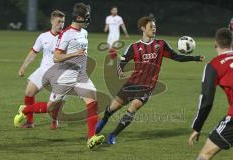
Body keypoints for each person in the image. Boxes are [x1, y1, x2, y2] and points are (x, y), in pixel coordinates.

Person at [96, 16, 205, 144]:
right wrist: (120, 65)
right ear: (143, 28)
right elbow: (121, 66)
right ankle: (101, 123)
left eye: (155, 27)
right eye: (151, 27)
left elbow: (177, 57)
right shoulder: (134, 47)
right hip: (131, 84)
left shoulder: (161, 45)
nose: (154, 29)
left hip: (147, 86)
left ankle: (113, 135)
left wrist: (196, 58)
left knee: (133, 107)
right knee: (112, 108)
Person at [14, 2, 105, 149]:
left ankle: (91, 138)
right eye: (87, 16)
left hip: (81, 75)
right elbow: (56, 57)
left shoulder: (84, 33)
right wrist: (75, 53)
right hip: (65, 76)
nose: (89, 19)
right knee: (51, 107)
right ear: (79, 17)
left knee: (93, 102)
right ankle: (25, 110)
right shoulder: (66, 34)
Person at [189, 28, 233, 160]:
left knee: (205, 154)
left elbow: (206, 99)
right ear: (231, 42)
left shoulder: (214, 65)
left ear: (215, 44)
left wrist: (197, 126)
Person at [17, 10, 65, 128]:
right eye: (59, 21)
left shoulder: (66, 37)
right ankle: (30, 122)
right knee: (29, 93)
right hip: (43, 70)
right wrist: (23, 67)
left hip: (58, 73)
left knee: (54, 101)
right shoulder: (43, 37)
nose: (61, 24)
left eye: (63, 22)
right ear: (52, 21)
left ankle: (54, 120)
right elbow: (33, 53)